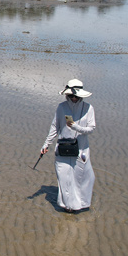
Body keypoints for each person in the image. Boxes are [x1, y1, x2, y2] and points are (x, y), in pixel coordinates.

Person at [40, 78, 96, 213]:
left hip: (81, 149)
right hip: (63, 149)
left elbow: (91, 128)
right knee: (64, 178)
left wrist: (77, 127)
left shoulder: (88, 108)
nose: (73, 98)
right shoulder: (61, 107)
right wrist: (46, 144)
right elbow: (55, 127)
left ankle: (80, 205)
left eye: (74, 96)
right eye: (70, 96)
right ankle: (68, 207)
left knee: (83, 178)